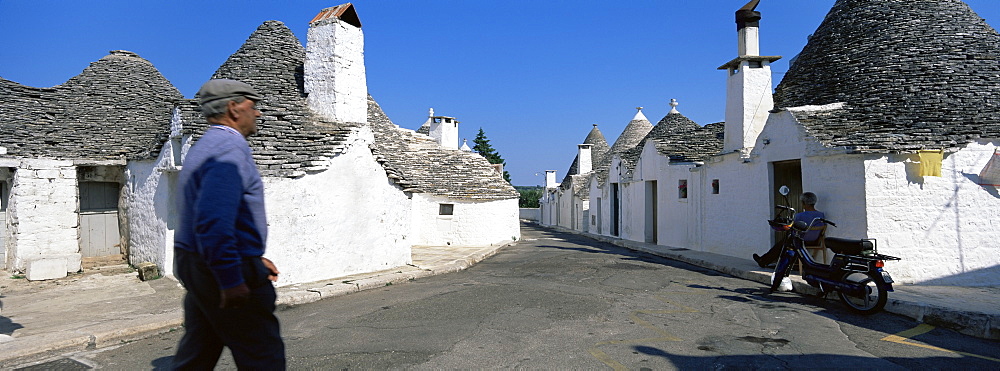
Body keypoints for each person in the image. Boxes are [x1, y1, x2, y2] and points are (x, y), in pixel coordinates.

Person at [172, 79, 286, 370]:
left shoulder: (207, 144)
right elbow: (212, 219)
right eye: (253, 106)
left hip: (197, 261)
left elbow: (214, 213)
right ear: (234, 109)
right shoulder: (230, 148)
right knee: (262, 353)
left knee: (199, 349)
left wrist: (252, 255)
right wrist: (232, 277)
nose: (258, 113)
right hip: (217, 267)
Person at [753, 192, 825, 268]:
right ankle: (767, 260)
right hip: (815, 241)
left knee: (785, 241)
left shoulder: (799, 216)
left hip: (801, 242)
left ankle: (764, 260)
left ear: (804, 203)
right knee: (786, 240)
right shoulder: (821, 215)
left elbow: (792, 227)